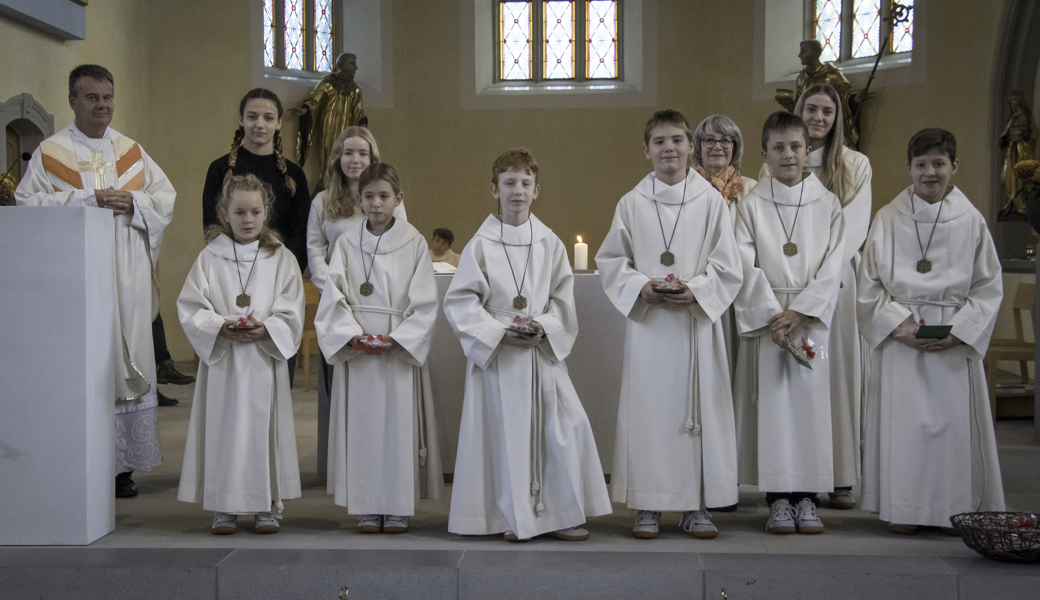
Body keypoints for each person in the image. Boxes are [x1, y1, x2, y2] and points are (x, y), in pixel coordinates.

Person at [15, 64, 175, 499]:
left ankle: (123, 468)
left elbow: (166, 199)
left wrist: (134, 202)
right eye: (91, 97)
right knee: (85, 362)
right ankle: (80, 456)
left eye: (107, 97)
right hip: (76, 278)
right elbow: (26, 205)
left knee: (130, 355)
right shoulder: (51, 152)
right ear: (72, 101)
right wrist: (87, 198)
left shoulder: (131, 151)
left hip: (127, 275)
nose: (102, 105)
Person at [444, 148, 611, 542]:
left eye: (525, 183)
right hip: (499, 357)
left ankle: (561, 513)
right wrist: (499, 332)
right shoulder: (480, 245)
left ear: (537, 190)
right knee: (503, 437)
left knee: (564, 429)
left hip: (539, 353)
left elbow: (563, 299)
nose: (517, 191)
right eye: (509, 183)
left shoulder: (550, 243)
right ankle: (509, 518)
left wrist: (542, 326)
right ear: (494, 189)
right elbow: (461, 301)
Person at [596, 110, 743, 539]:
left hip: (695, 326)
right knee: (649, 414)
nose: (669, 149)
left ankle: (696, 506)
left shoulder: (711, 201)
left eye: (677, 140)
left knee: (696, 416)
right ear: (646, 150)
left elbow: (729, 265)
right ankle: (647, 505)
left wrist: (697, 290)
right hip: (651, 329)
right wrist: (641, 287)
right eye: (659, 141)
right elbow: (611, 261)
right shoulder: (631, 202)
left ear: (689, 147)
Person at [857, 128, 1004, 535]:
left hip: (952, 339)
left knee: (949, 430)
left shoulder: (971, 220)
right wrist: (899, 327)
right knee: (906, 430)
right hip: (903, 338)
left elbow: (988, 286)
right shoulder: (888, 218)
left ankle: (953, 510)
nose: (929, 173)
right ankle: (902, 508)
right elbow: (868, 285)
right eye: (921, 165)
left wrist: (959, 331)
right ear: (909, 168)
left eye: (939, 164)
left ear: (954, 167)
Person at [314, 163, 443, 534]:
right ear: (358, 199)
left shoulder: (414, 242)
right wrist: (350, 335)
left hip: (396, 349)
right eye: (369, 196)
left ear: (398, 199)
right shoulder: (346, 243)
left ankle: (398, 506)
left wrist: (399, 338)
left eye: (384, 196)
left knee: (397, 429)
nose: (376, 203)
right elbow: (333, 296)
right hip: (359, 351)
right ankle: (368, 506)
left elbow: (424, 300)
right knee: (364, 429)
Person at [761, 84, 873, 510]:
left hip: (834, 284)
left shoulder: (854, 164)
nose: (819, 117)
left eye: (828, 111)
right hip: (784, 286)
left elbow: (854, 228)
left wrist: (814, 292)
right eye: (811, 108)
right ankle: (789, 474)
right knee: (794, 384)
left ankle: (840, 473)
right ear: (798, 111)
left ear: (838, 118)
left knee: (835, 374)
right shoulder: (779, 156)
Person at [733, 111, 845, 535]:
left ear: (809, 150)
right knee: (774, 409)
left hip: (810, 320)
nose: (788, 155)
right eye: (778, 147)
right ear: (764, 154)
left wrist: (801, 311)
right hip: (769, 323)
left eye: (796, 146)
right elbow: (743, 263)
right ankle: (778, 499)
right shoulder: (750, 204)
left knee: (810, 409)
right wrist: (772, 316)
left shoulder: (828, 204)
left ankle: (809, 499)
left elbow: (835, 265)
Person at [177, 174, 304, 535]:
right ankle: (224, 507)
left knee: (262, 432)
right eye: (239, 212)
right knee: (224, 429)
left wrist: (270, 327)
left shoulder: (281, 257)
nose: (248, 219)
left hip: (263, 359)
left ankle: (266, 506)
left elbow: (292, 307)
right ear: (224, 213)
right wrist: (218, 326)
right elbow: (190, 305)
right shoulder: (209, 257)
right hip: (225, 361)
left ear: (266, 214)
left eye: (255, 212)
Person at [202, 88, 310, 387]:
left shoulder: (295, 175)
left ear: (278, 124)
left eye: (268, 117)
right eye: (252, 116)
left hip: (276, 286)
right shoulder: (220, 169)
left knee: (273, 381)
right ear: (241, 120)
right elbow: (212, 230)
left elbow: (300, 235)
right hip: (228, 286)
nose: (259, 124)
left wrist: (282, 278)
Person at [306, 127, 405, 411]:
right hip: (336, 302)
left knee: (377, 386)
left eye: (363, 153)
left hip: (380, 303)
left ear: (373, 157)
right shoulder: (323, 201)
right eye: (348, 152)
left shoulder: (390, 199)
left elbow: (401, 247)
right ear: (338, 157)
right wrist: (336, 293)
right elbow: (315, 254)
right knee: (339, 386)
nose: (355, 159)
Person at [691, 114, 757, 379]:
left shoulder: (752, 189)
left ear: (736, 146)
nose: (717, 146)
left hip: (742, 287)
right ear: (697, 146)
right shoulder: (687, 187)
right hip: (702, 286)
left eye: (725, 140)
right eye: (709, 140)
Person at [774, 40, 867, 149]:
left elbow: (844, 96)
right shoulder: (802, 78)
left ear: (816, 53)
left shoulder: (832, 75)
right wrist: (789, 104)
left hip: (826, 128)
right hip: (808, 130)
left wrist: (854, 99)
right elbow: (800, 107)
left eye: (804, 51)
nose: (800, 55)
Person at [294, 52, 369, 169]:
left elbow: (358, 110)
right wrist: (305, 111)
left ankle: (344, 183)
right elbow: (314, 101)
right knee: (328, 156)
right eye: (352, 64)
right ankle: (326, 182)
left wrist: (362, 123)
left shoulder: (356, 90)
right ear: (342, 65)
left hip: (346, 129)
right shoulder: (326, 84)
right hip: (328, 127)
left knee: (346, 155)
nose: (356, 68)